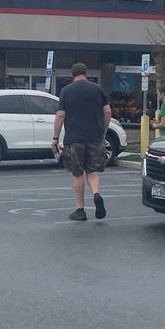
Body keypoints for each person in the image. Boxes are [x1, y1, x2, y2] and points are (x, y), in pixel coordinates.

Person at [52, 63, 112, 221]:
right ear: (86, 73)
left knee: (77, 173)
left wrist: (55, 138)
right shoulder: (97, 89)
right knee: (92, 171)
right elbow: (107, 111)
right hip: (95, 137)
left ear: (73, 74)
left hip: (74, 138)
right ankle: (96, 194)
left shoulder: (66, 91)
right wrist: (103, 131)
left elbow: (60, 115)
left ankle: (80, 210)